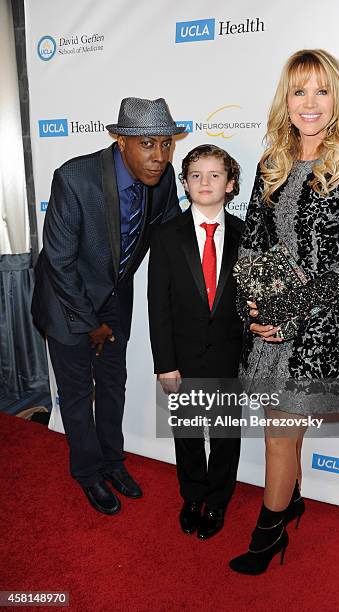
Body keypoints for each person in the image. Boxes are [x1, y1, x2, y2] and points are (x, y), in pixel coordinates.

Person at [229, 49, 339, 574]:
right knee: (279, 429)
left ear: (337, 96)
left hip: (316, 322)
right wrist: (257, 305)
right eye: (299, 91)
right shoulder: (272, 160)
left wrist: (288, 309)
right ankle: (289, 501)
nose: (309, 103)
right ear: (285, 99)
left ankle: (268, 533)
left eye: (321, 90)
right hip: (269, 320)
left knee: (278, 432)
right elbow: (251, 242)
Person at [31, 98, 186, 515]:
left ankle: (113, 462)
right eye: (148, 144)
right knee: (78, 395)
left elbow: (170, 235)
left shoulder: (164, 177)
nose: (160, 157)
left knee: (113, 386)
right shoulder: (75, 178)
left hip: (114, 299)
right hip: (66, 304)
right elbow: (60, 260)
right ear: (121, 142)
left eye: (167, 144)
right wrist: (90, 323)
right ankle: (87, 471)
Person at [148, 144, 243, 539]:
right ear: (185, 183)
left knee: (224, 435)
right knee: (187, 433)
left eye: (215, 175)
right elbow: (159, 305)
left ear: (231, 184)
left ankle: (218, 500)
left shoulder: (246, 233)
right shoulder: (167, 235)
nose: (205, 182)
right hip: (182, 358)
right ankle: (192, 495)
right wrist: (164, 363)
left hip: (229, 356)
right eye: (196, 175)